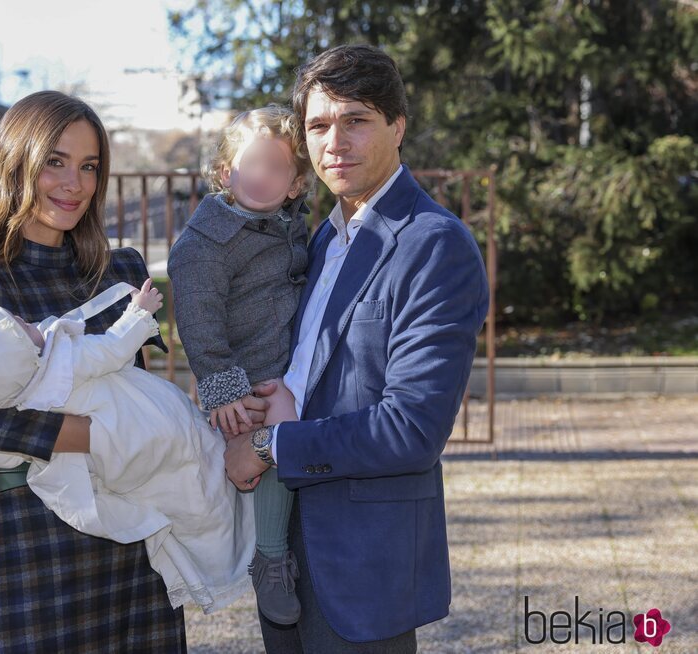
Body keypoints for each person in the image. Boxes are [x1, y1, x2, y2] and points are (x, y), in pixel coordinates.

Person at [222, 44, 490, 653]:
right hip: (284, 548)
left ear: (398, 126)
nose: (333, 141)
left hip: (364, 560)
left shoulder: (434, 244)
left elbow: (411, 429)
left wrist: (268, 446)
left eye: (356, 120)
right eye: (318, 125)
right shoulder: (322, 239)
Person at [0, 91, 187, 652]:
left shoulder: (119, 271)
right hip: (34, 536)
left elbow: (128, 388)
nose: (75, 183)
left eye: (89, 167)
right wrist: (91, 434)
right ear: (17, 162)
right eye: (54, 162)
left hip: (133, 525)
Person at [0, 279, 254, 614]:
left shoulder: (21, 397)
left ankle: (214, 562)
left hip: (124, 465)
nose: (27, 320)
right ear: (21, 356)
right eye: (22, 327)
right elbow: (113, 348)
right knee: (205, 480)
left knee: (181, 501)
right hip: (157, 424)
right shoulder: (62, 363)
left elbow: (3, 457)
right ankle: (246, 544)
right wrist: (139, 312)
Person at [168, 105, 310, 625]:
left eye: (277, 169)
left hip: (286, 366)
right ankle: (270, 559)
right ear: (226, 173)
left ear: (295, 185)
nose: (262, 178)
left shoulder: (291, 230)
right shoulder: (206, 243)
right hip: (246, 381)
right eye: (252, 165)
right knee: (277, 431)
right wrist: (224, 388)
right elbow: (198, 321)